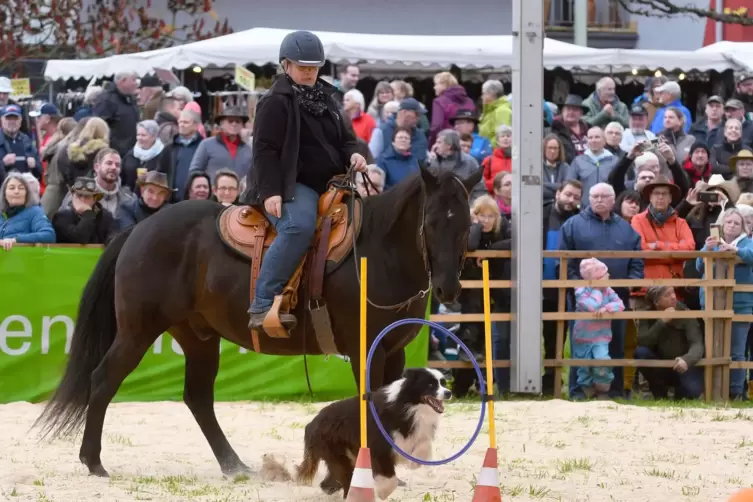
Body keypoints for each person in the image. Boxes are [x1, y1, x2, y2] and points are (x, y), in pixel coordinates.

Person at [241, 30, 367, 330]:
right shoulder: (275, 101)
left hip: (333, 183)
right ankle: (262, 303)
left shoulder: (328, 99)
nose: (310, 71)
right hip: (291, 184)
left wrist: (356, 155)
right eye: (303, 66)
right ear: (286, 65)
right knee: (298, 227)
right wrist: (271, 191)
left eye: (314, 66)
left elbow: (348, 140)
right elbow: (265, 150)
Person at [560, 182, 644, 398]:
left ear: (612, 199)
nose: (599, 200)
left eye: (604, 196)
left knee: (614, 344)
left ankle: (613, 391)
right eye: (594, 196)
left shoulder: (627, 229)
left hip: (615, 300)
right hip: (582, 300)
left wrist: (631, 282)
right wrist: (578, 287)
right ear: (588, 198)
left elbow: (636, 262)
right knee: (581, 346)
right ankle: (579, 391)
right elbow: (563, 261)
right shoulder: (572, 225)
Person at [697, 207, 753, 400]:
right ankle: (711, 388)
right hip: (712, 302)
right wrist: (708, 248)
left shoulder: (748, 243)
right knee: (711, 347)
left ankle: (735, 391)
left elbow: (751, 255)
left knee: (737, 350)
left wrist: (735, 250)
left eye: (737, 223)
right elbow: (698, 266)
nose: (732, 226)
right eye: (728, 222)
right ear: (721, 223)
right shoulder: (712, 242)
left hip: (740, 303)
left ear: (743, 227)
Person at [635, 286, 704, 400]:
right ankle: (659, 394)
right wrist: (661, 322)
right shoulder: (647, 315)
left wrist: (687, 360)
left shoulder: (685, 313)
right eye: (667, 295)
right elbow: (643, 341)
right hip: (661, 365)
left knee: (693, 390)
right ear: (656, 302)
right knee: (641, 352)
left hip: (683, 365)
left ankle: (680, 395)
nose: (673, 297)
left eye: (673, 293)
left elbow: (697, 344)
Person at [572, 258, 625, 398]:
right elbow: (592, 306)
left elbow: (620, 305)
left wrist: (606, 308)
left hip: (601, 336)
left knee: (602, 360)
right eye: (606, 274)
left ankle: (602, 389)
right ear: (597, 278)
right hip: (583, 337)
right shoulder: (581, 291)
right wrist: (597, 290)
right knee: (584, 365)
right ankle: (587, 390)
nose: (609, 276)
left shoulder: (609, 291)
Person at [52, 176, 118, 244]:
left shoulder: (106, 217)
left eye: (87, 196)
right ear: (72, 196)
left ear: (94, 199)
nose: (82, 200)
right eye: (79, 195)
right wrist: (88, 214)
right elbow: (80, 238)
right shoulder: (61, 217)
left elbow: (113, 238)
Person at [0, 172, 55, 250]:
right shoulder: (1, 214)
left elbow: (49, 235)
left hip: (24, 260)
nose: (16, 191)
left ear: (27, 193)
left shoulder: (35, 212)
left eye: (21, 188)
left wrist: (15, 240)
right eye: (12, 188)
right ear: (4, 194)